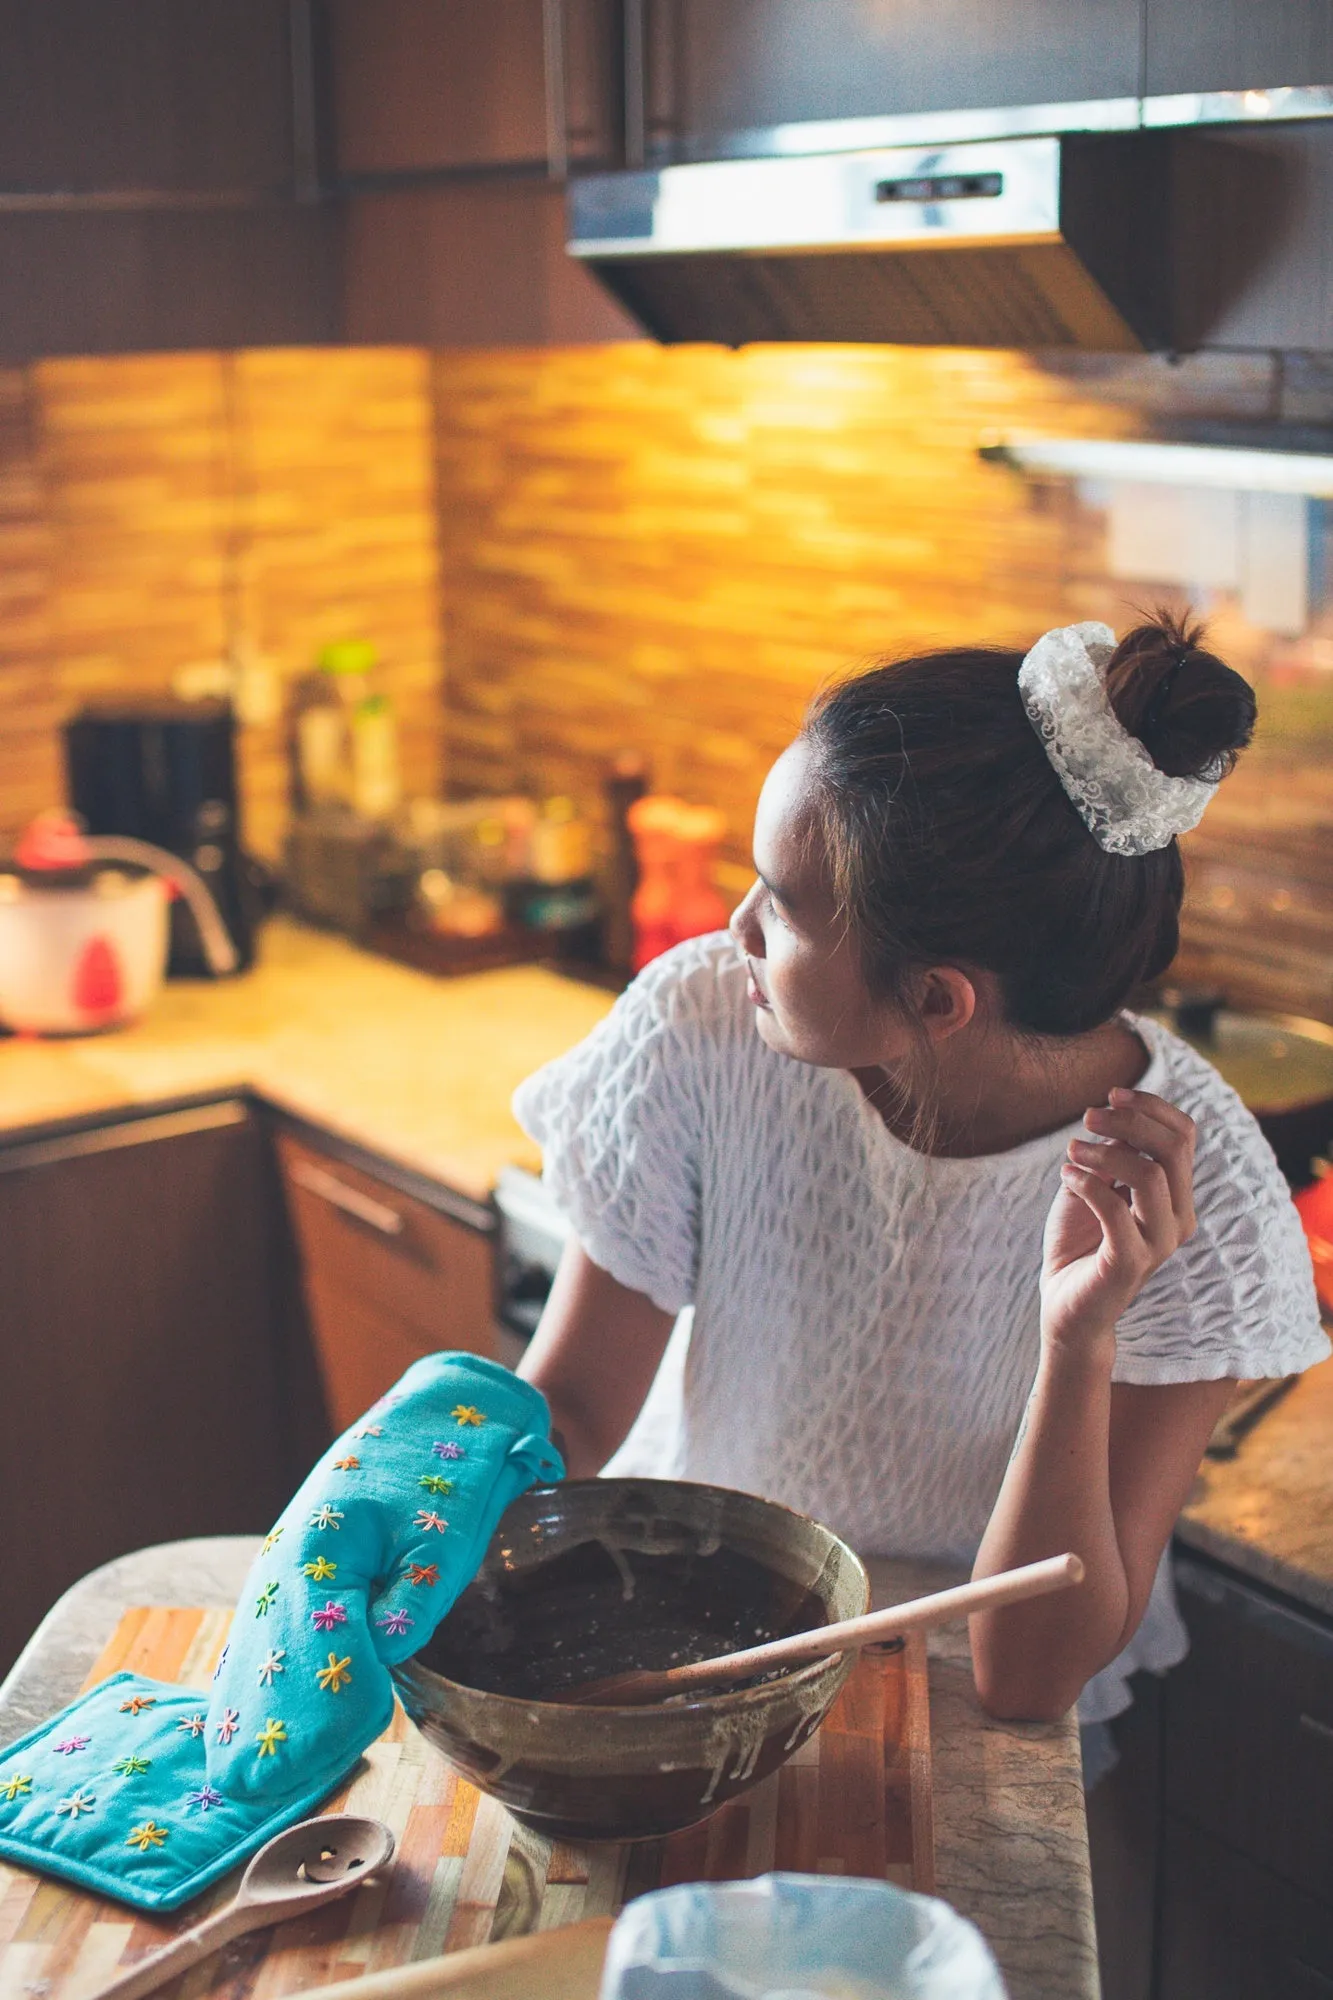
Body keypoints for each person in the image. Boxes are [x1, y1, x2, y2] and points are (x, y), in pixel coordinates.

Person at [513, 615, 1329, 1723]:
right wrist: (434, 1484)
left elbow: (1028, 1673)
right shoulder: (701, 1023)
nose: (736, 925)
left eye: (780, 906)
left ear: (937, 998)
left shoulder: (1194, 1207)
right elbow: (575, 1403)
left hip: (950, 1714)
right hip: (675, 1633)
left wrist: (1076, 1336)